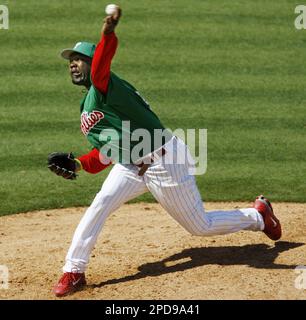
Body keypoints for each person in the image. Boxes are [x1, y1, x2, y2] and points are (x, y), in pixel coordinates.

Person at [49, 6, 282, 297]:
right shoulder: (88, 106)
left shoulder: (104, 84)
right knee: (99, 205)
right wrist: (78, 165)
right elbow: (104, 154)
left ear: (93, 62)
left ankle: (259, 216)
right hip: (129, 166)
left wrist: (107, 34)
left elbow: (102, 62)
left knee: (200, 226)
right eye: (71, 60)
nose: (73, 64)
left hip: (164, 160)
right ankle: (74, 270)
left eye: (80, 59)